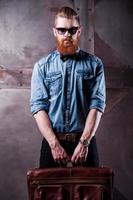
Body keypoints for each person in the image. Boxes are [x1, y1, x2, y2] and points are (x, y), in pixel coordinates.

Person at [30, 6, 106, 168]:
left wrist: (84, 142)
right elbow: (38, 107)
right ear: (54, 32)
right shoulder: (42, 67)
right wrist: (54, 144)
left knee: (92, 192)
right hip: (53, 142)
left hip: (85, 140)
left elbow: (97, 105)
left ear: (79, 31)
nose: (67, 35)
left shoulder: (95, 64)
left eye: (72, 30)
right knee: (48, 192)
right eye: (62, 30)